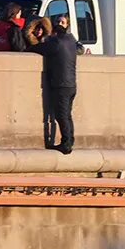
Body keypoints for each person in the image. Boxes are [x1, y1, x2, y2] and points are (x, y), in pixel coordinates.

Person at [29, 13, 80, 154]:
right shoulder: (71, 40)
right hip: (71, 84)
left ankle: (66, 144)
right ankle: (70, 140)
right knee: (67, 115)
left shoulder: (56, 42)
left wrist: (30, 46)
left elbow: (40, 49)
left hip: (61, 83)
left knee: (61, 115)